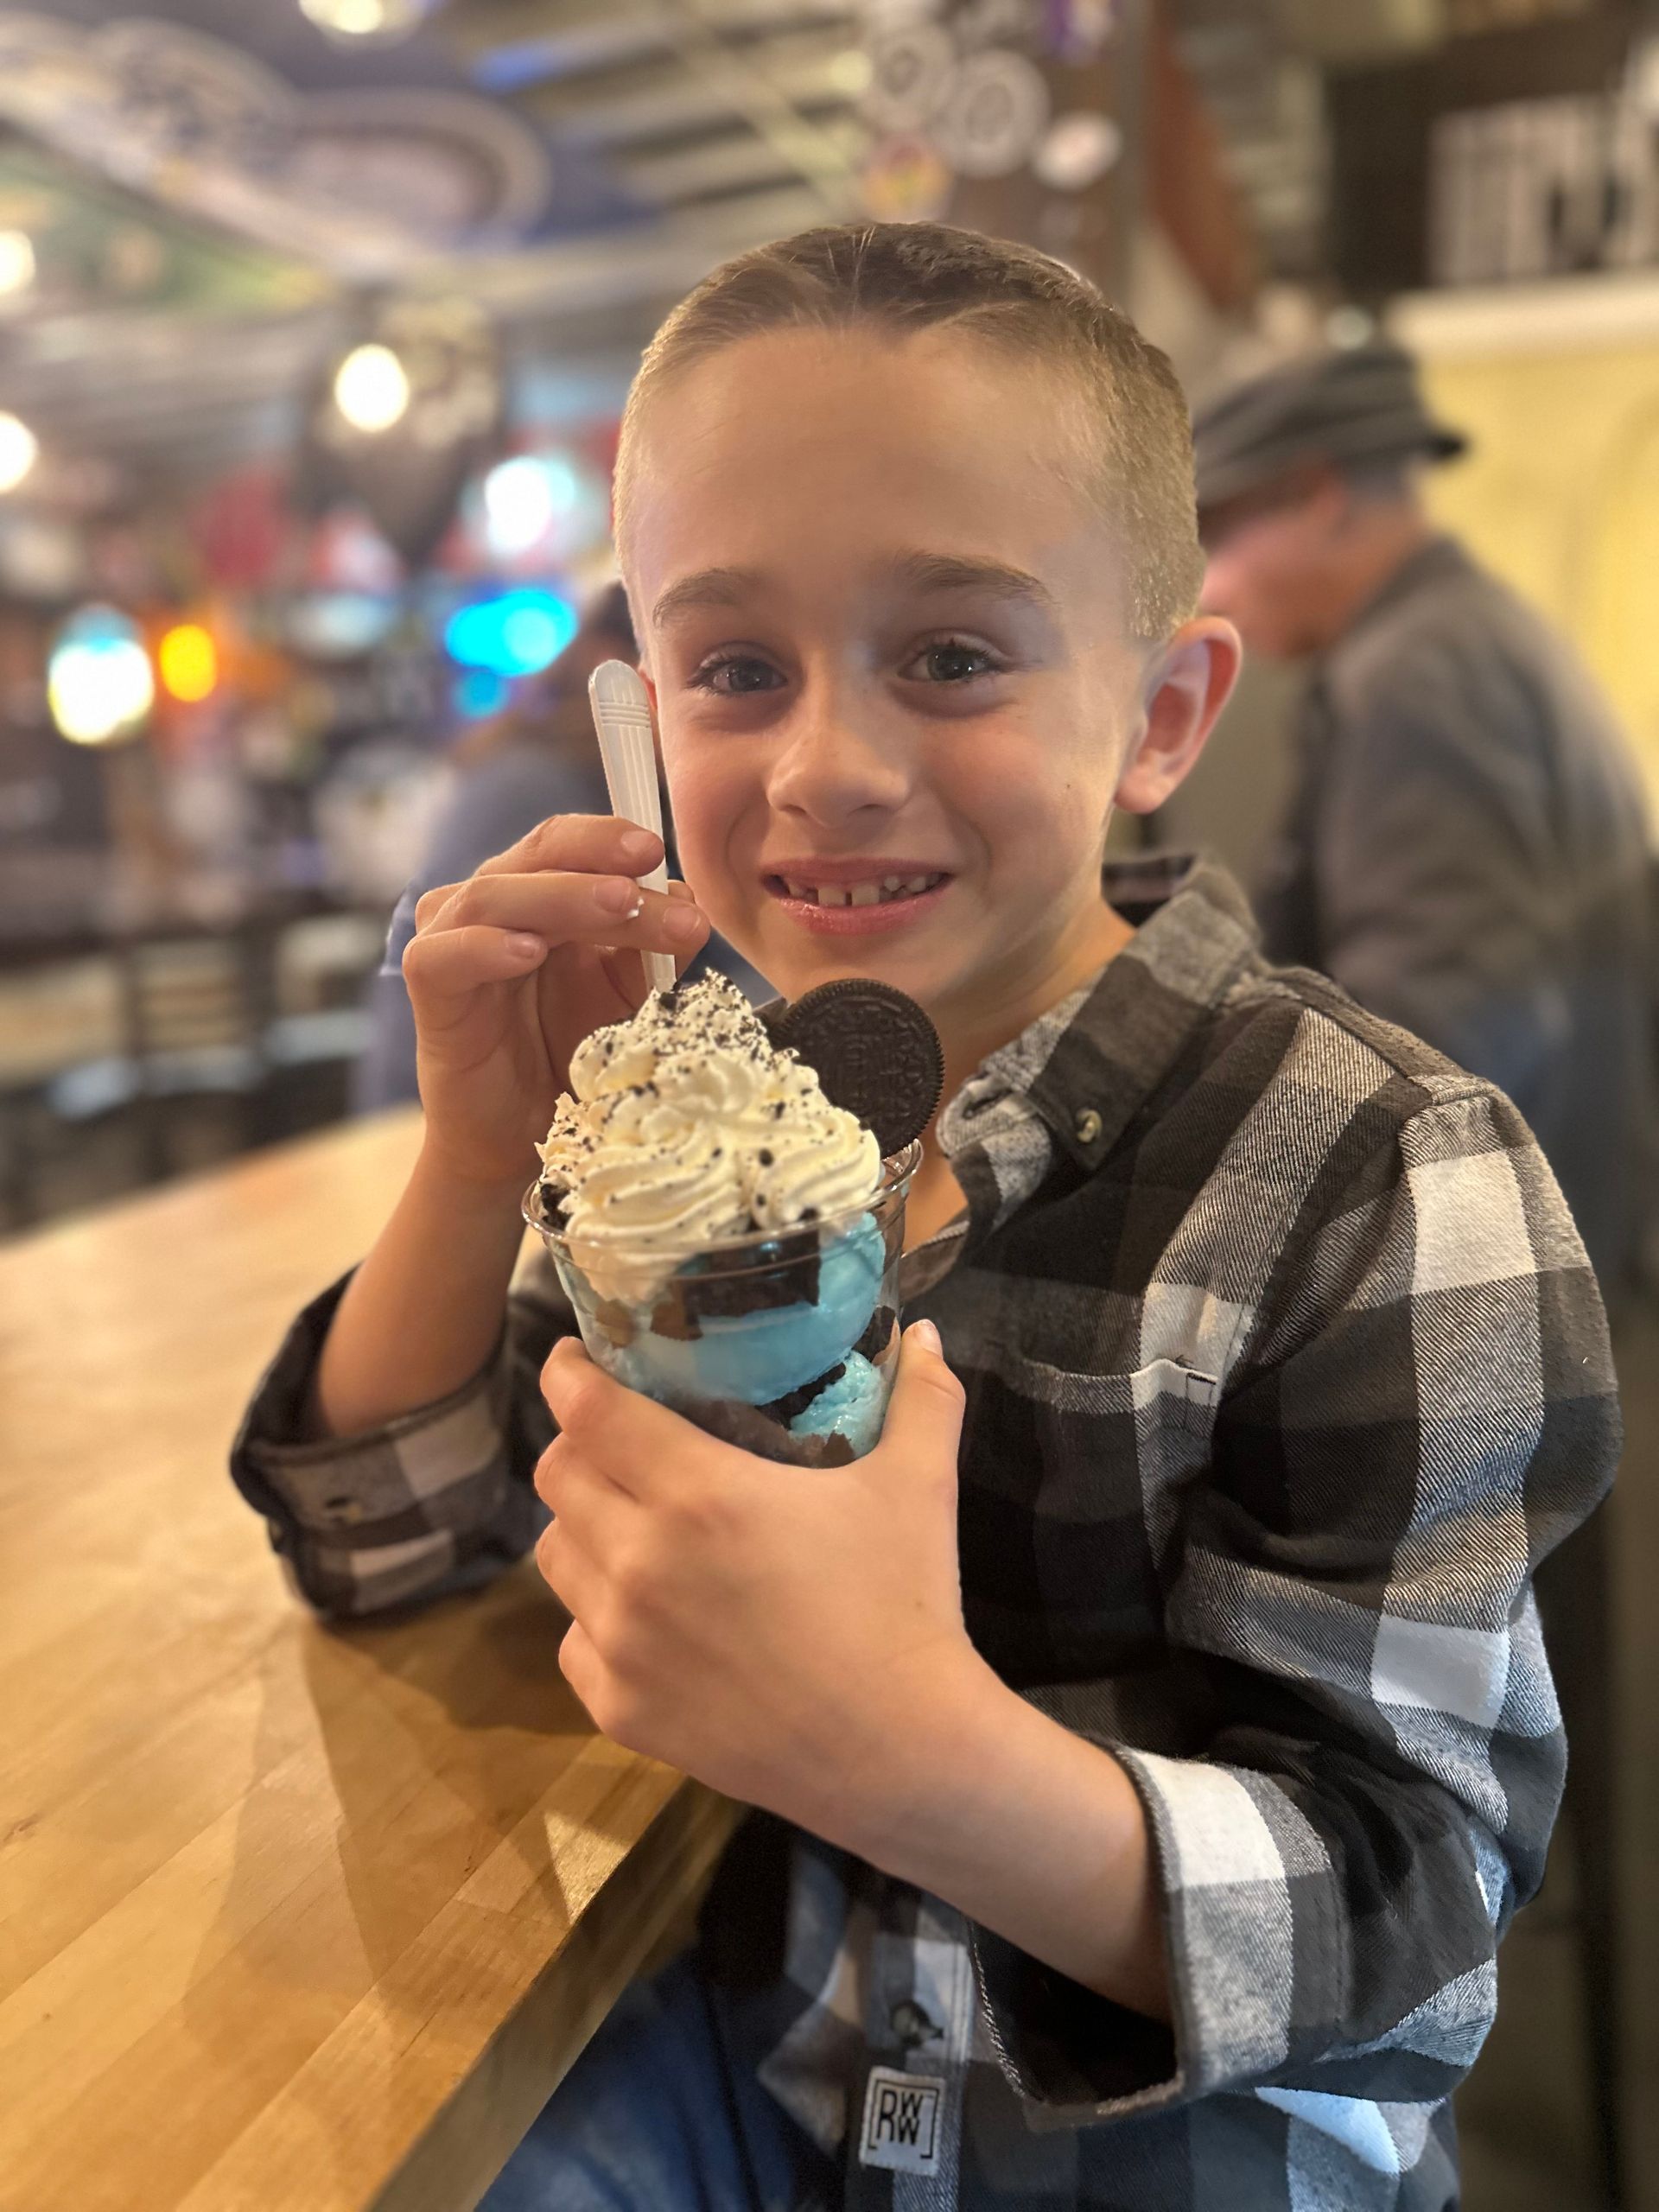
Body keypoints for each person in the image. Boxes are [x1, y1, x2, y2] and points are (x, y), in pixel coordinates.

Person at [230, 226, 1618, 2210]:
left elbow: (1409, 1900)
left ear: (1159, 708)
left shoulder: (1375, 1168)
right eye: (731, 668)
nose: (829, 765)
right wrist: (476, 1155)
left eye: (952, 654)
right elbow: (392, 1536)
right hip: (770, 2079)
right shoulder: (696, 1102)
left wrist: (912, 1750)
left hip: (1153, 2159)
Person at [1194, 340, 1656, 1303]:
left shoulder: (1416, 673)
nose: (1213, 590)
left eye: (1222, 537)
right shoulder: (1475, 631)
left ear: (1319, 492)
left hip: (1493, 1288)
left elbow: (1438, 1028)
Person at [353, 581, 768, 1110]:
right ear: (611, 663)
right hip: (422, 1129)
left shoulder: (649, 794)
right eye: (737, 677)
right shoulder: (536, 791)